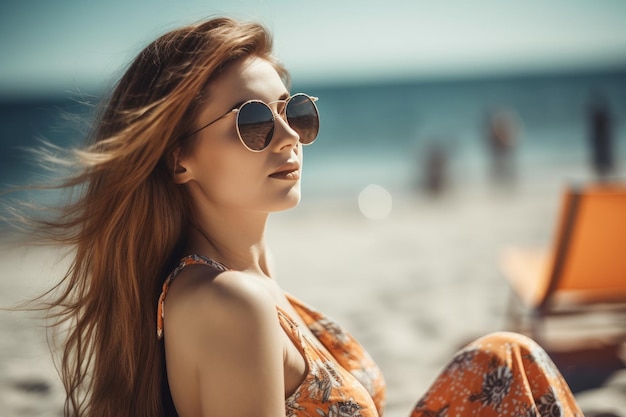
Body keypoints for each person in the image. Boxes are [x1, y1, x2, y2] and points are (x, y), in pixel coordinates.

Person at [9, 17, 583, 417]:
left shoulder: (247, 276)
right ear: (178, 159)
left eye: (296, 113)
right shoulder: (228, 302)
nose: (288, 138)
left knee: (503, 358)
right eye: (254, 122)